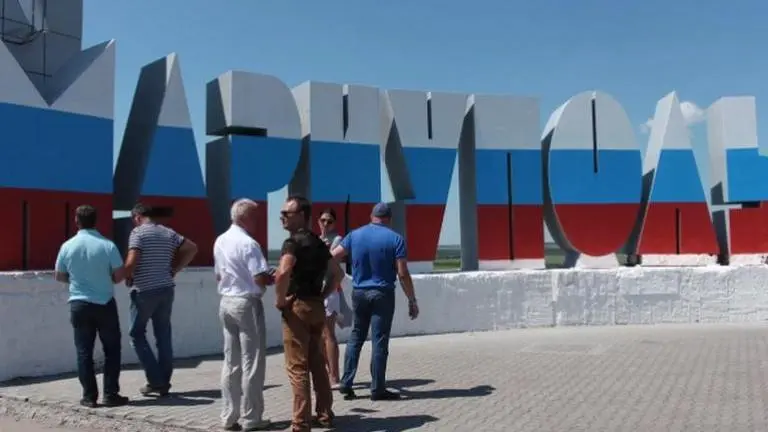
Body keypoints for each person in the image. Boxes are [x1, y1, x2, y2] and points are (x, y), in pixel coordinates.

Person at [331, 202, 419, 401]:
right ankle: (377, 388)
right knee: (379, 340)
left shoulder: (355, 235)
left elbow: (333, 257)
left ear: (372, 216)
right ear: (389, 219)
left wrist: (339, 276)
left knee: (356, 337)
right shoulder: (396, 239)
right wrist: (412, 300)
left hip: (359, 292)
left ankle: (346, 382)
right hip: (383, 293)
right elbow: (402, 272)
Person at [275, 195, 344, 432]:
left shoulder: (292, 243)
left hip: (297, 308)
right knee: (317, 364)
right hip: (316, 306)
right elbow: (338, 274)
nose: (282, 217)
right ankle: (325, 414)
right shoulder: (318, 243)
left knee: (297, 367)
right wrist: (323, 295)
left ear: (302, 215)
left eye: (287, 213)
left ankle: (300, 423)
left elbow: (283, 272)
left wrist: (280, 300)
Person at [53, 205, 129, 408]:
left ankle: (89, 396)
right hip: (104, 304)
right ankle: (111, 394)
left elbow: (59, 276)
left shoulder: (67, 246)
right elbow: (119, 276)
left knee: (83, 351)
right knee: (112, 350)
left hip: (79, 303)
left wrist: (78, 280)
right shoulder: (107, 245)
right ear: (96, 221)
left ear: (76, 221)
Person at [124, 202, 198, 397]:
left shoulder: (138, 233)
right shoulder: (168, 233)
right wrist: (175, 269)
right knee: (163, 335)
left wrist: (125, 274)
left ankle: (155, 380)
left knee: (136, 334)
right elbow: (191, 248)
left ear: (138, 217)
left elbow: (132, 261)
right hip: (166, 288)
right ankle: (164, 381)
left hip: (144, 290)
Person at [213, 199, 273, 431]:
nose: (257, 221)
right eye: (255, 216)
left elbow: (219, 275)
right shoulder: (249, 244)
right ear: (245, 217)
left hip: (226, 301)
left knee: (231, 361)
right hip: (246, 302)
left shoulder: (220, 240)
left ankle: (229, 415)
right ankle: (251, 417)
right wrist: (270, 278)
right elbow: (259, 277)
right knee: (253, 362)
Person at [317, 208, 344, 388]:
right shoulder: (316, 240)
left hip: (331, 289)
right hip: (316, 289)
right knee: (319, 335)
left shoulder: (337, 240)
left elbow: (332, 261)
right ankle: (327, 372)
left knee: (328, 333)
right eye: (323, 220)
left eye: (329, 221)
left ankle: (335, 376)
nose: (326, 224)